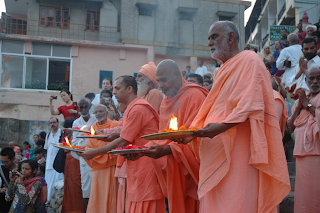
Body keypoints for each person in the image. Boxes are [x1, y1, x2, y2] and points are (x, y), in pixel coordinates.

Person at [176, 21, 290, 212]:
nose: (209, 43)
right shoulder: (221, 71)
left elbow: (251, 104)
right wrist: (194, 133)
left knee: (238, 201)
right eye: (208, 39)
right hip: (216, 148)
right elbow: (213, 110)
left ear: (230, 38)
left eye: (214, 37)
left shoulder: (250, 61)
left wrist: (218, 128)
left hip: (240, 151)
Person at [79, 76, 166, 213]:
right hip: (137, 164)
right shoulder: (132, 108)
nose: (113, 92)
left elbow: (124, 139)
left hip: (146, 165)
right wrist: (111, 135)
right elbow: (124, 134)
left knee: (145, 205)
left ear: (129, 89)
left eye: (117, 88)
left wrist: (94, 153)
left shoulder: (138, 108)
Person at [138, 59, 209, 213]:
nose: (160, 85)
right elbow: (164, 136)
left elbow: (198, 135)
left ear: (177, 75)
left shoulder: (195, 95)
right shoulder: (165, 101)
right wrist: (144, 149)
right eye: (158, 81)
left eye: (164, 80)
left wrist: (168, 150)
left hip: (192, 170)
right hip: (172, 167)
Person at [288, 66, 320, 212]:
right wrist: (300, 107)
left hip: (317, 155)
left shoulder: (307, 102)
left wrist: (307, 106)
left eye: (318, 78)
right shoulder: (301, 100)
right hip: (301, 155)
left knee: (315, 194)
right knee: (303, 195)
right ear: (306, 81)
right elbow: (291, 126)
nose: (315, 81)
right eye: (311, 78)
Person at [77, 104, 119, 213]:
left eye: (101, 111)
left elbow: (118, 145)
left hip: (111, 167)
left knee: (111, 194)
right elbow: (89, 147)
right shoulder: (93, 129)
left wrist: (96, 154)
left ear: (106, 112)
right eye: (96, 112)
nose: (99, 114)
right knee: (97, 195)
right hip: (97, 168)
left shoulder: (114, 125)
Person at [71, 98, 97, 212]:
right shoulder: (76, 122)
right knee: (85, 186)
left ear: (90, 106)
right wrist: (78, 150)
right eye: (81, 107)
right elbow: (75, 142)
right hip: (83, 157)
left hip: (97, 156)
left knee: (97, 185)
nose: (83, 109)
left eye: (85, 106)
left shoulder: (96, 119)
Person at [61, 118, 83, 213]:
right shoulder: (69, 136)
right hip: (69, 161)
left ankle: (77, 209)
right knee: (69, 186)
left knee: (76, 186)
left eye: (67, 129)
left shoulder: (78, 135)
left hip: (75, 162)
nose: (66, 131)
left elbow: (68, 149)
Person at [44, 117, 64, 203]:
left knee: (58, 182)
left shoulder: (62, 134)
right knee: (48, 183)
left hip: (58, 163)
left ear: (58, 123)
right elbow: (46, 149)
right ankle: (48, 200)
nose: (52, 124)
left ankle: (57, 201)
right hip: (49, 163)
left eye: (54, 122)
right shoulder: (48, 135)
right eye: (51, 123)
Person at [0, 148, 17, 212]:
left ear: (13, 159)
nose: (3, 164)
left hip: (16, 203)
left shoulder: (22, 169)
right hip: (3, 203)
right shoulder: (1, 169)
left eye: (6, 162)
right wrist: (1, 189)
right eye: (2, 161)